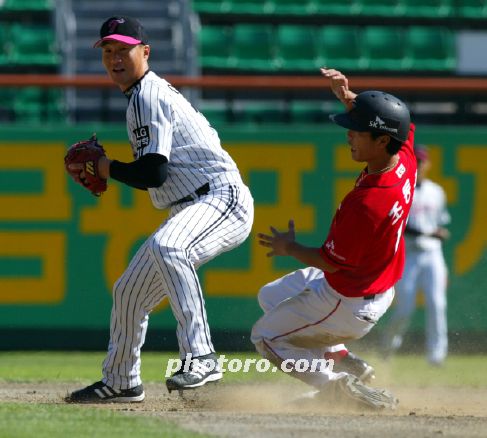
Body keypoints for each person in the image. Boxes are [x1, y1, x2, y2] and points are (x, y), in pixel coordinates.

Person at [66, 16, 254, 403]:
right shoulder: (140, 95)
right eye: (109, 51)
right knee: (128, 293)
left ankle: (201, 357)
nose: (116, 58)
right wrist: (113, 168)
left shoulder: (148, 94)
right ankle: (121, 381)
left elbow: (154, 172)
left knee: (171, 247)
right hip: (192, 203)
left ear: (145, 52)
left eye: (125, 50)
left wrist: (107, 167)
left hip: (220, 198)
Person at [251, 67, 417, 410]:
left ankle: (335, 384)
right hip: (371, 285)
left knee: (265, 337)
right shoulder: (405, 158)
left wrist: (289, 248)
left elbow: (329, 261)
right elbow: (399, 123)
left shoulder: (370, 203)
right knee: (270, 296)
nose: (350, 135)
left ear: (382, 140)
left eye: (358, 131)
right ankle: (341, 358)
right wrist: (349, 98)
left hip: (348, 299)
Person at [381, 144, 450, 366]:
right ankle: (388, 347)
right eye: (416, 161)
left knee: (437, 304)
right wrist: (430, 232)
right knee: (404, 308)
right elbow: (401, 226)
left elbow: (441, 223)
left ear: (427, 164)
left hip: (433, 255)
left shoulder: (437, 191)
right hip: (409, 254)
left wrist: (440, 232)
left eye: (422, 161)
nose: (419, 165)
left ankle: (436, 355)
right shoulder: (402, 189)